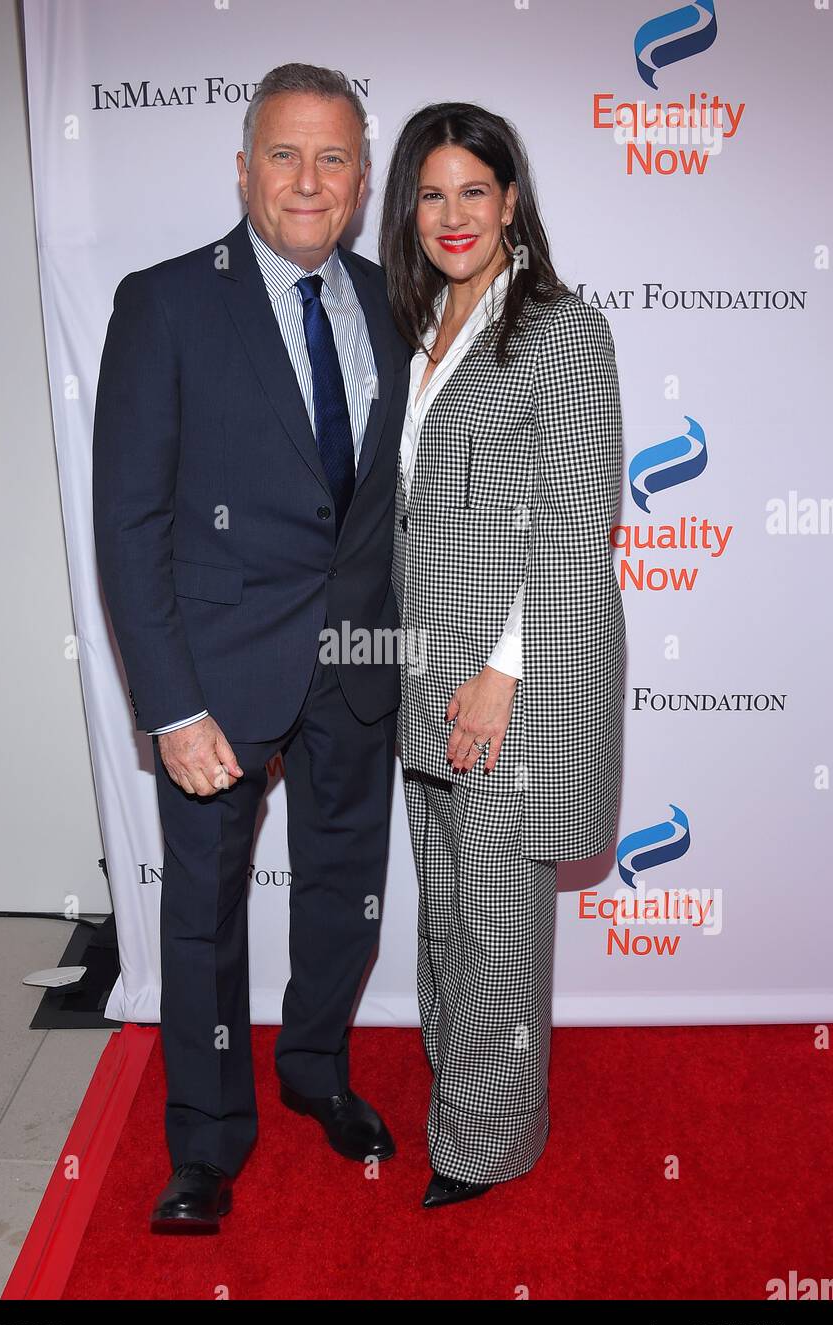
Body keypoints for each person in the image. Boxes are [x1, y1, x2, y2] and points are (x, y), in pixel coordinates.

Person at [92, 63, 410, 1234]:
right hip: (217, 679)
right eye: (284, 154)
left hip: (359, 664)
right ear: (241, 167)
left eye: (332, 158)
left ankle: (316, 1068)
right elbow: (128, 520)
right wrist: (169, 706)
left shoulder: (395, 302)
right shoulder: (166, 303)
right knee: (203, 910)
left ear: (362, 179)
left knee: (345, 891)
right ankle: (206, 1140)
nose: (307, 180)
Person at [380, 103, 626, 1209]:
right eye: (430, 194)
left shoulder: (562, 330)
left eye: (472, 191)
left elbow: (578, 522)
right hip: (423, 668)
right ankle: (457, 1086)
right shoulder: (425, 322)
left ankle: (484, 1144)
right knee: (444, 908)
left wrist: (502, 672)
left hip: (508, 681)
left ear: (511, 199)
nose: (451, 214)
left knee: (495, 920)